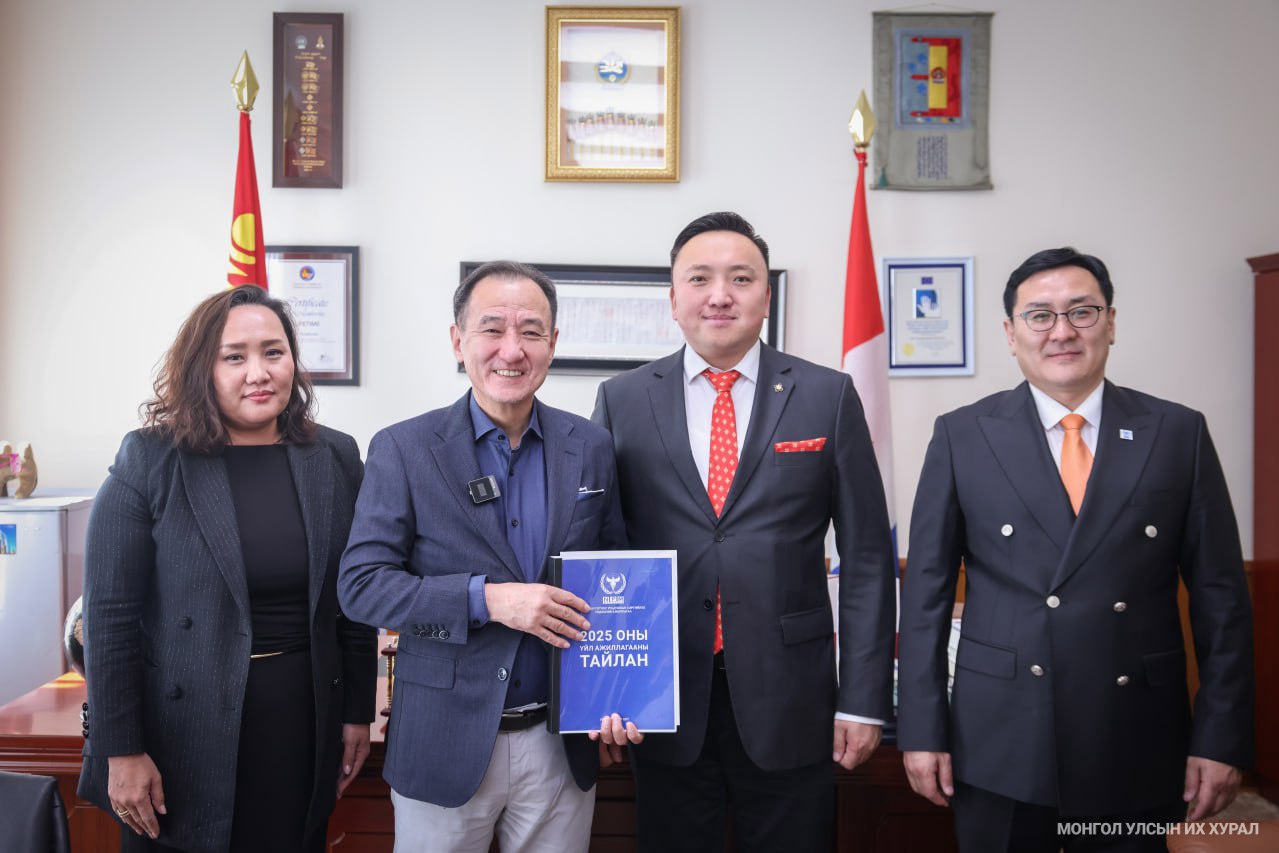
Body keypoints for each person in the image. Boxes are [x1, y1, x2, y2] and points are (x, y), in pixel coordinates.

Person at [897, 247, 1255, 852]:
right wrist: (922, 729)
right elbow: (926, 595)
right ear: (1011, 334)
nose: (1061, 331)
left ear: (1110, 323)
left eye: (1081, 311)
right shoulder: (962, 435)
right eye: (1040, 315)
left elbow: (1222, 600)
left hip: (1135, 732)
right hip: (1001, 736)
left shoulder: (1177, 432)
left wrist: (1221, 738)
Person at [591, 212, 898, 851]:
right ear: (673, 298)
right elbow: (602, 550)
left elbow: (867, 558)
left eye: (740, 278)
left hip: (794, 698)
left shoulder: (827, 395)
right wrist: (604, 691)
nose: (719, 294)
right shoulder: (622, 399)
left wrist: (863, 698)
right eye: (699, 278)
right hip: (662, 698)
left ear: (766, 295)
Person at [338, 261, 639, 853]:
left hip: (560, 744)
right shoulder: (403, 448)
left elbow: (618, 580)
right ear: (458, 341)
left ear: (553, 343)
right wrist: (488, 600)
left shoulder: (592, 446)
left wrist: (616, 697)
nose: (512, 349)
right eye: (492, 328)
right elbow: (363, 587)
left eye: (531, 331)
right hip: (442, 740)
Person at [78, 284, 377, 852]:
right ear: (202, 370)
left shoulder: (335, 456)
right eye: (234, 357)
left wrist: (357, 712)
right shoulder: (151, 459)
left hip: (302, 721)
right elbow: (109, 619)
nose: (258, 373)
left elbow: (353, 600)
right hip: (180, 734)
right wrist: (121, 748)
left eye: (273, 352)